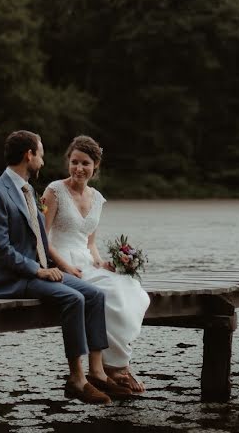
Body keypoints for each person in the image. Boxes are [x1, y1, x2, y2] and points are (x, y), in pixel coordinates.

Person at [0, 130, 132, 404]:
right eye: (41, 154)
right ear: (29, 155)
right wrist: (39, 270)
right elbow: (1, 250)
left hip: (36, 270)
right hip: (9, 278)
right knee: (73, 299)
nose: (44, 161)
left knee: (95, 295)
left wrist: (55, 266)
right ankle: (77, 379)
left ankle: (97, 373)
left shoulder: (27, 189)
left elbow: (39, 238)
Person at [41, 134, 150, 393]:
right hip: (62, 259)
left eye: (85, 163)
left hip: (86, 261)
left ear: (95, 166)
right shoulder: (53, 191)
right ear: (68, 162)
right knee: (110, 294)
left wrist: (102, 262)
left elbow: (90, 243)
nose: (79, 168)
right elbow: (41, 239)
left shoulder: (98, 198)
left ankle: (116, 364)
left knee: (133, 290)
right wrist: (65, 267)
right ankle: (114, 368)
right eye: (74, 162)